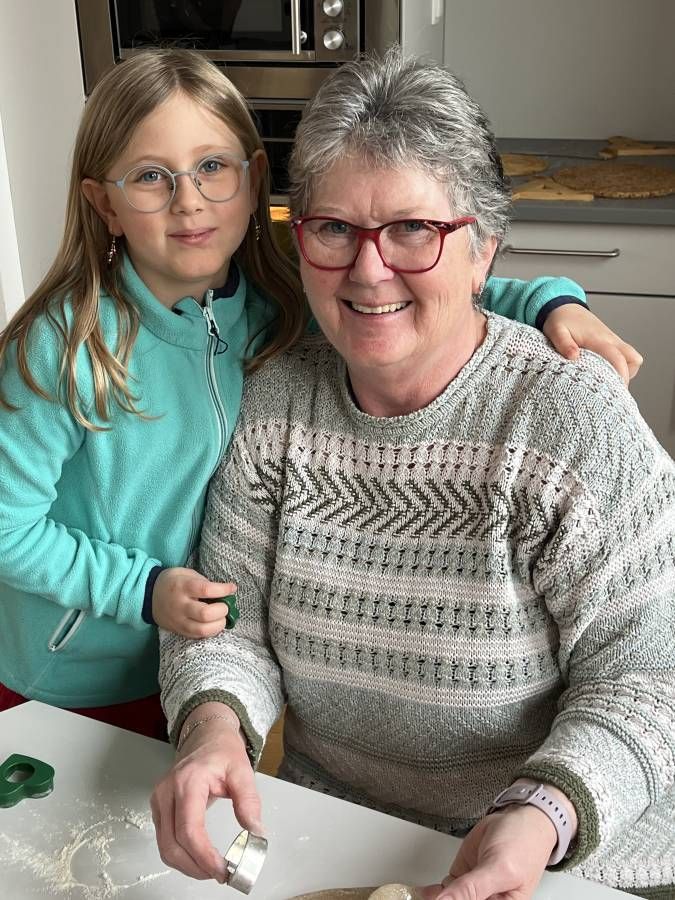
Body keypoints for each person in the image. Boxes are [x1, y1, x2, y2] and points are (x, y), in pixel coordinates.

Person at [151, 48, 675, 900]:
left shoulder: (572, 425)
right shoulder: (274, 402)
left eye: (411, 231)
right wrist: (212, 729)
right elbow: (224, 625)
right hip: (332, 830)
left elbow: (651, 680)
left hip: (568, 853)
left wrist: (539, 816)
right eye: (333, 228)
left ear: (482, 250)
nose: (368, 269)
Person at [0, 49, 632, 740]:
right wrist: (142, 590)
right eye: (151, 176)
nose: (189, 200)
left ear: (254, 179)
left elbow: (420, 287)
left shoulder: (277, 297)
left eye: (212, 167)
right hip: (63, 674)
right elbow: (6, 526)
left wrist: (550, 303)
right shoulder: (62, 346)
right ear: (105, 205)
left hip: (194, 664)